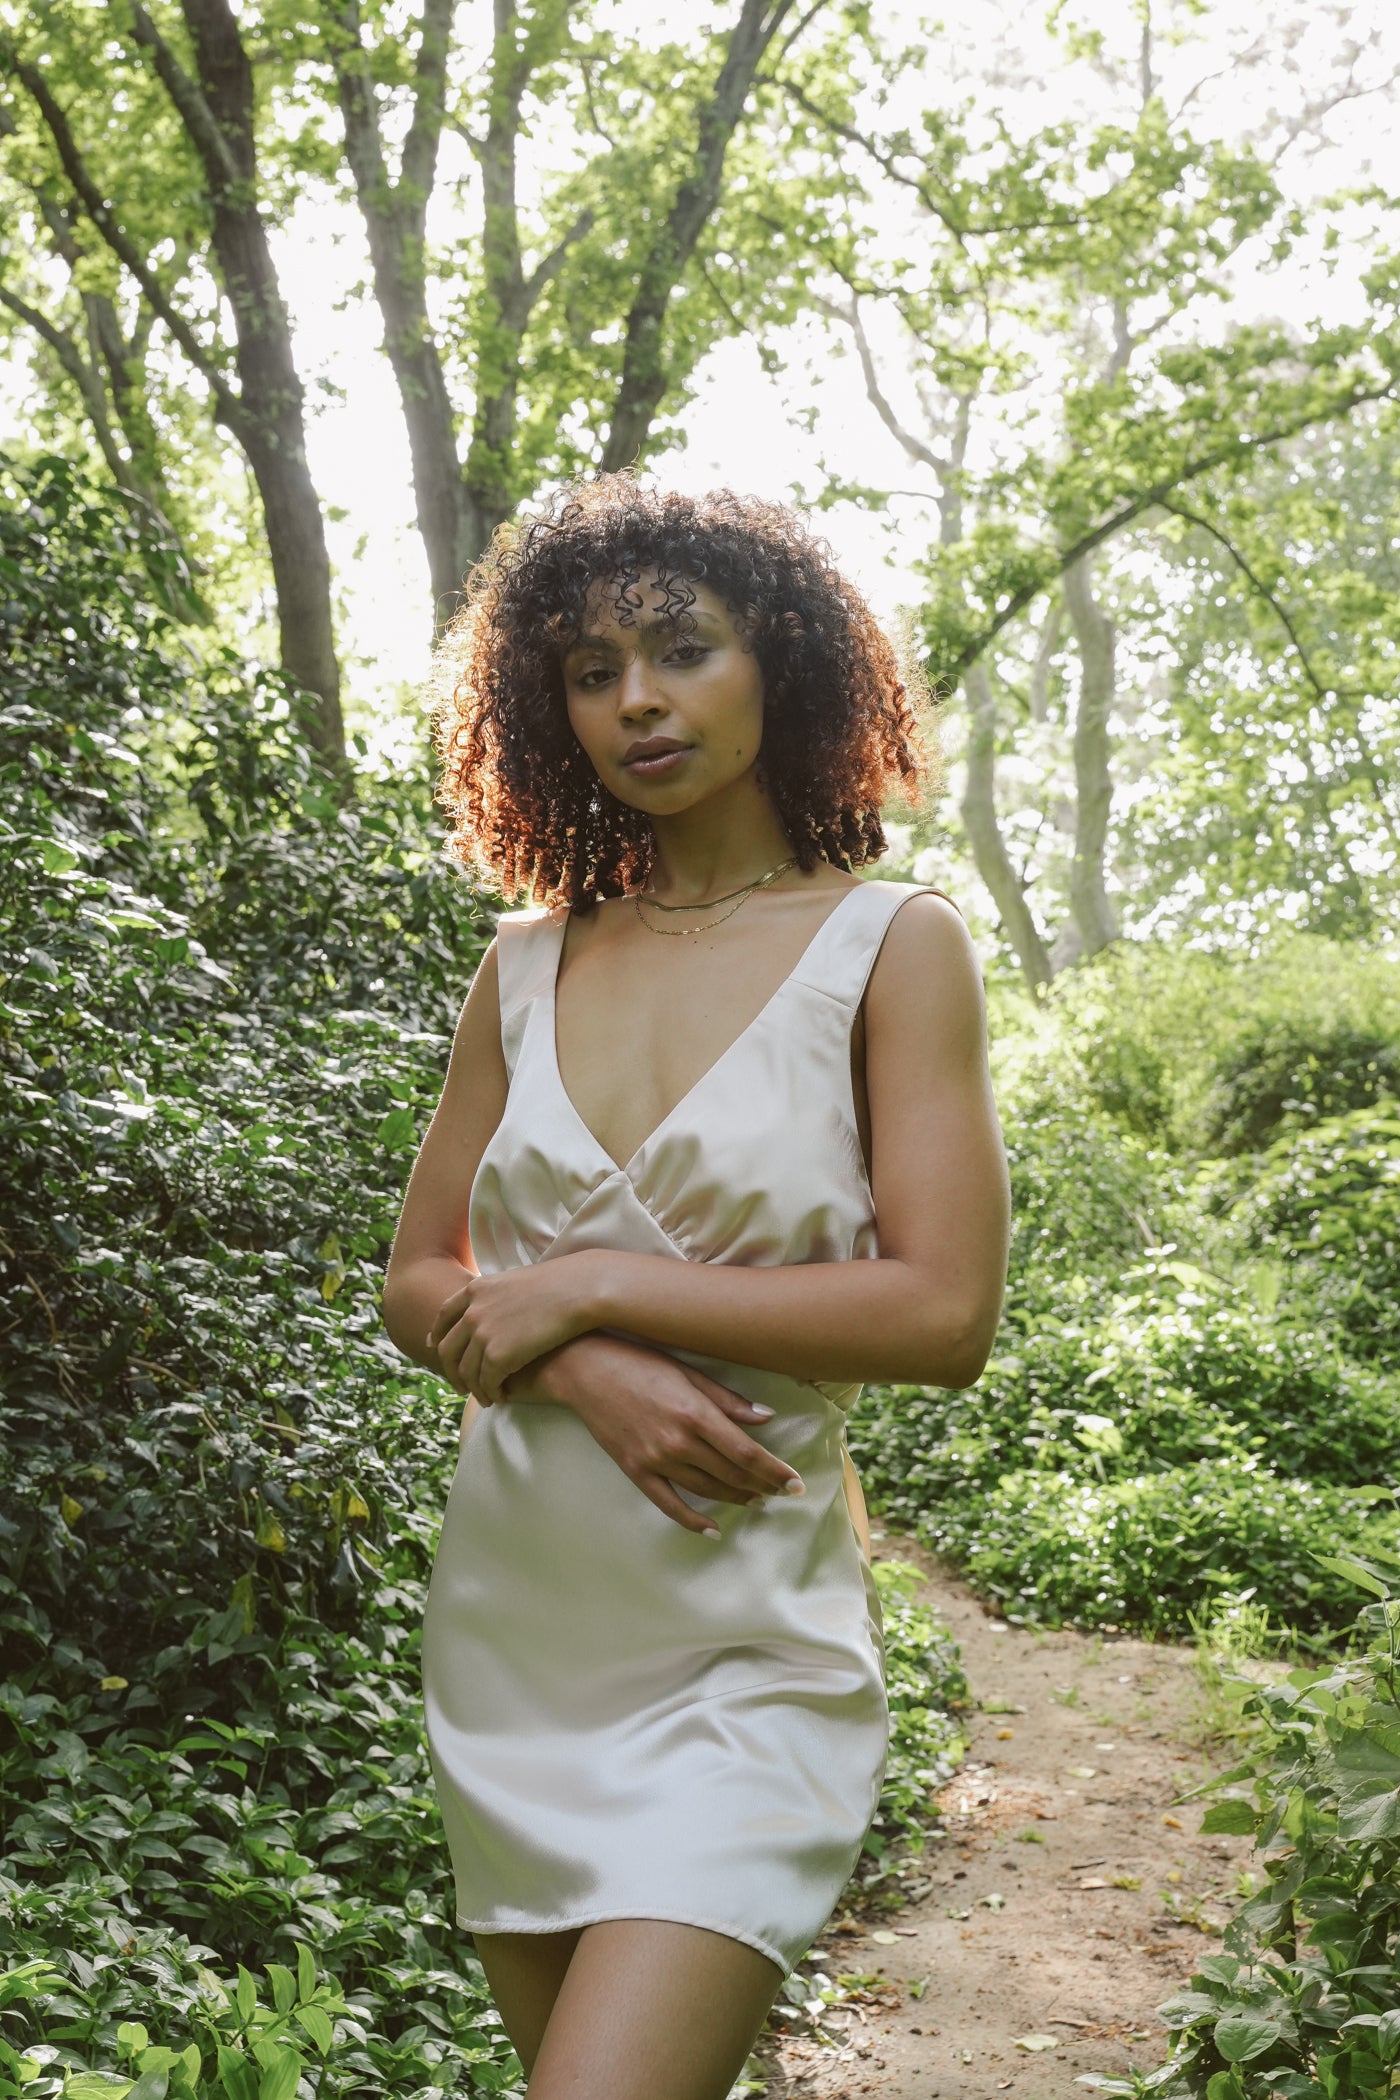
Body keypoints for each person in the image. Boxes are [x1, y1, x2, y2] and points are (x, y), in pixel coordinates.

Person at [382, 477, 1009, 2100]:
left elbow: (942, 1313)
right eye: (593, 670)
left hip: (749, 1652)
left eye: (682, 649)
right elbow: (419, 1276)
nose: (638, 699)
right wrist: (579, 1360)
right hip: (516, 1643)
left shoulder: (891, 944)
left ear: (780, 663)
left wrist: (585, 1282)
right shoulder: (525, 964)